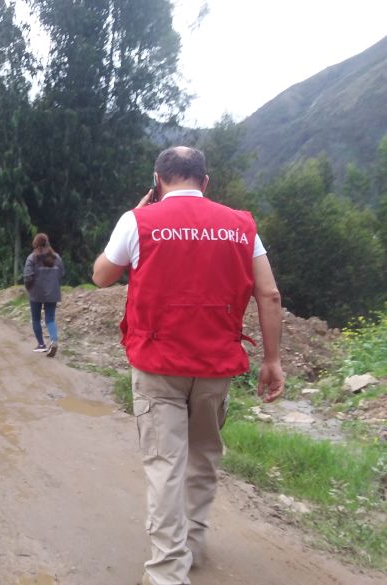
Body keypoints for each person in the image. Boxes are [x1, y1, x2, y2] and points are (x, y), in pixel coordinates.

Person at [91, 146, 284, 585]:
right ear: (205, 181)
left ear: (158, 180)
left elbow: (101, 276)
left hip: (158, 364)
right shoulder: (241, 226)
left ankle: (167, 570)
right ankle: (192, 543)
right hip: (216, 366)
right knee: (203, 456)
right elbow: (269, 294)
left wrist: (133, 215)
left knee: (165, 464)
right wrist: (272, 360)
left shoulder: (138, 221)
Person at [23, 233, 65, 357]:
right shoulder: (56, 257)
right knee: (50, 319)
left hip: (36, 293)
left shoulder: (32, 258)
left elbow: (27, 276)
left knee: (36, 319)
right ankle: (54, 340)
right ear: (47, 243)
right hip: (52, 293)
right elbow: (62, 273)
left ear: (35, 244)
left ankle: (41, 345)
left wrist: (29, 288)